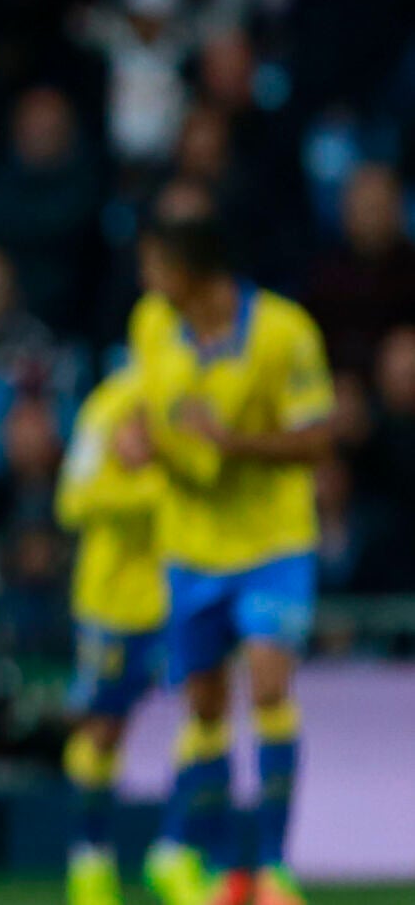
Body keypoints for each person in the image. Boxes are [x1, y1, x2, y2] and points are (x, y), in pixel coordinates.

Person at [130, 214, 332, 905]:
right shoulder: (152, 326)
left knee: (270, 685)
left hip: (273, 543)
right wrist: (144, 445)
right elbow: (151, 412)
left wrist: (233, 444)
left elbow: (316, 439)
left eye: (155, 265)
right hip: (190, 546)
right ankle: (218, 870)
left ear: (189, 272)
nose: (146, 280)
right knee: (205, 704)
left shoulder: (283, 331)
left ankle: (275, 866)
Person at [55, 366, 169, 905]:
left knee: (206, 709)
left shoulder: (199, 394)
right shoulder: (108, 404)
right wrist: (148, 487)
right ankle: (90, 859)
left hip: (187, 586)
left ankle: (182, 852)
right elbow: (72, 500)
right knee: (105, 727)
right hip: (114, 601)